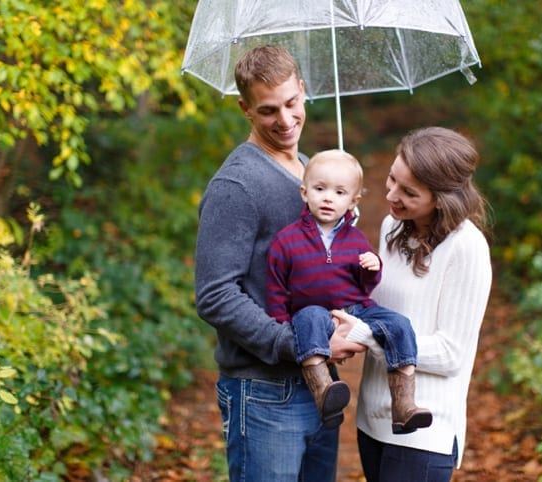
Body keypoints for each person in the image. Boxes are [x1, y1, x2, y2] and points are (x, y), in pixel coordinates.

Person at [193, 45, 363, 482]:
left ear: (303, 91)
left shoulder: (313, 173)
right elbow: (215, 296)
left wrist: (341, 232)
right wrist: (299, 345)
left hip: (319, 386)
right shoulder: (237, 185)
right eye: (268, 110)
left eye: (291, 104)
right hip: (266, 392)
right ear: (245, 109)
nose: (285, 121)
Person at [333, 127, 493, 481]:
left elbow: (451, 353)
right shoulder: (393, 226)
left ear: (442, 198)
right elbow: (377, 308)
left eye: (409, 192)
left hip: (424, 431)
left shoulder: (466, 247)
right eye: (392, 179)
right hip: (373, 419)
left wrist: (365, 335)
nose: (391, 194)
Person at [265, 149, 432, 433]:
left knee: (400, 325)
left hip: (356, 307)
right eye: (320, 189)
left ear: (353, 202)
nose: (328, 197)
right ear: (305, 193)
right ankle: (323, 391)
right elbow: (276, 287)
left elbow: (366, 286)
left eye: (339, 192)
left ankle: (404, 404)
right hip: (312, 310)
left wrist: (371, 267)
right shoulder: (287, 240)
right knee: (308, 319)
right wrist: (281, 322)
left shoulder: (355, 239)